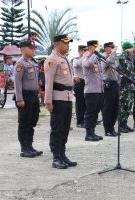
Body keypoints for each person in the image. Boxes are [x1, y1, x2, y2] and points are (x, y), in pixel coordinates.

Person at [44, 34, 77, 169]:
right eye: (66, 43)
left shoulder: (65, 59)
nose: (68, 45)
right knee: (57, 129)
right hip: (57, 99)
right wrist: (48, 101)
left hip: (68, 97)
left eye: (69, 43)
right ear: (57, 44)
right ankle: (56, 158)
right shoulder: (52, 60)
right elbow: (49, 82)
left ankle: (62, 154)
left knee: (64, 129)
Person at [14, 40, 42, 158]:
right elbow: (17, 82)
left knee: (32, 121)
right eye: (31, 48)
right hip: (25, 96)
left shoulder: (33, 62)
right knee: (24, 123)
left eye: (33, 48)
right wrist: (19, 99)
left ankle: (30, 146)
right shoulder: (20, 63)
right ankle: (24, 148)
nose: (33, 50)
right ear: (23, 49)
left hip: (34, 96)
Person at [82, 40, 104, 142]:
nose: (97, 49)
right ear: (91, 47)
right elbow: (88, 64)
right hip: (90, 91)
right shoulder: (86, 57)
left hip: (99, 90)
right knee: (90, 113)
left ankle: (93, 131)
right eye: (96, 47)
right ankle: (88, 133)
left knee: (95, 113)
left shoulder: (97, 59)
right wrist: (94, 54)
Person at [101, 42, 119, 137]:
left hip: (115, 84)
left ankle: (112, 128)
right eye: (111, 48)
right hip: (108, 85)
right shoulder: (103, 57)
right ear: (107, 48)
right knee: (108, 108)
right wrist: (114, 52)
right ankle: (107, 129)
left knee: (115, 108)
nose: (113, 49)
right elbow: (107, 63)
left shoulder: (112, 57)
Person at [118, 42, 135, 133]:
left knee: (128, 106)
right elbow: (125, 65)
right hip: (124, 86)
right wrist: (125, 52)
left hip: (130, 85)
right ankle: (120, 125)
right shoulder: (122, 57)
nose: (132, 51)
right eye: (131, 49)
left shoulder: (129, 59)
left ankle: (125, 124)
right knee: (123, 106)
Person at [72, 45, 87, 128]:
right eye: (84, 51)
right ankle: (79, 121)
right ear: (80, 51)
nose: (86, 52)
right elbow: (77, 64)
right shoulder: (76, 59)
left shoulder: (86, 59)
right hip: (79, 83)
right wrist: (84, 57)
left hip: (86, 83)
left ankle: (84, 119)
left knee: (86, 103)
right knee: (79, 104)